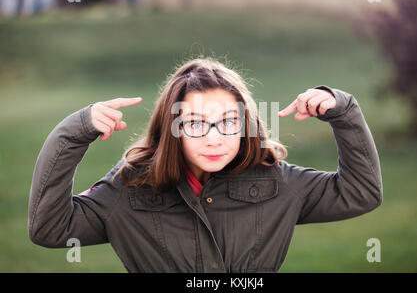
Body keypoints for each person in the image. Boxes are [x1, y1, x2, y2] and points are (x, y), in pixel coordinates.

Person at [28, 57, 383, 273]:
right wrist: (73, 135)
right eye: (196, 123)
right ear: (173, 129)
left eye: (229, 122)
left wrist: (344, 112)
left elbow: (361, 193)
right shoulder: (129, 189)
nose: (214, 138)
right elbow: (50, 229)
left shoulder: (278, 182)